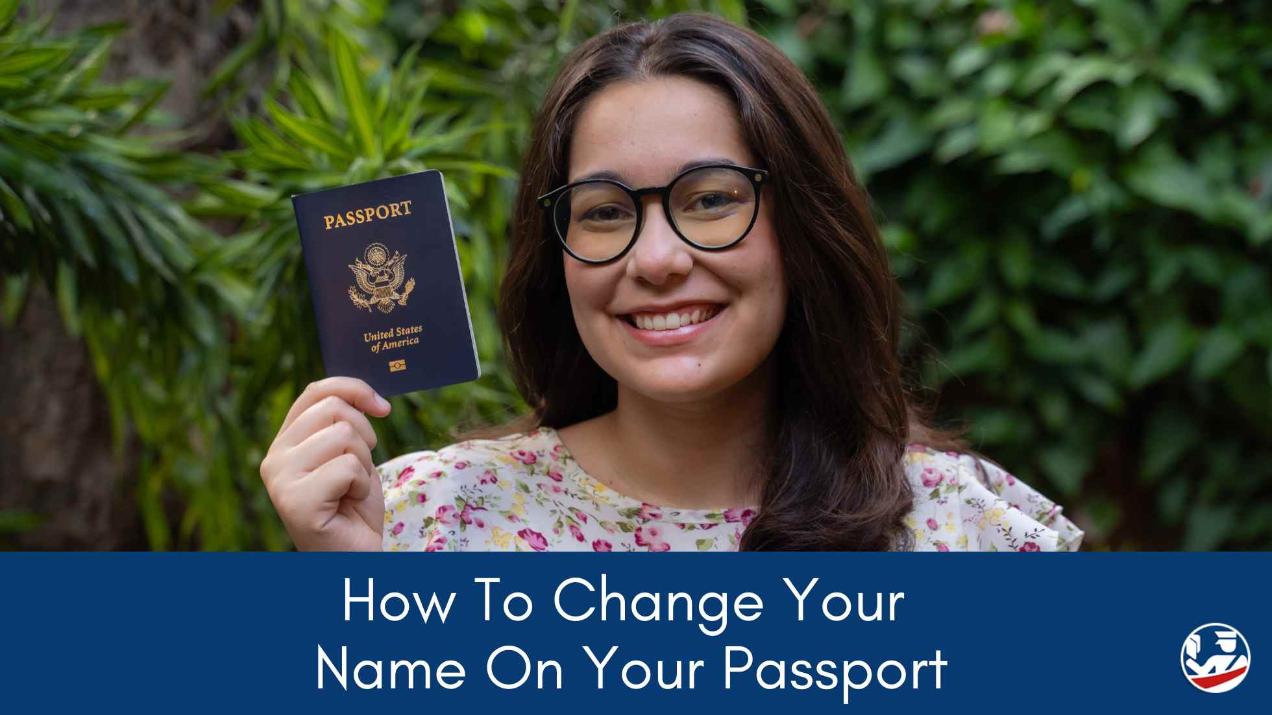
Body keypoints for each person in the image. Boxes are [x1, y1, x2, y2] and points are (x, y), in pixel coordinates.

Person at [259, 13, 1083, 553]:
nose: (654, 259)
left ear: (803, 229)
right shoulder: (421, 523)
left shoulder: (970, 533)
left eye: (712, 199)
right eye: (606, 211)